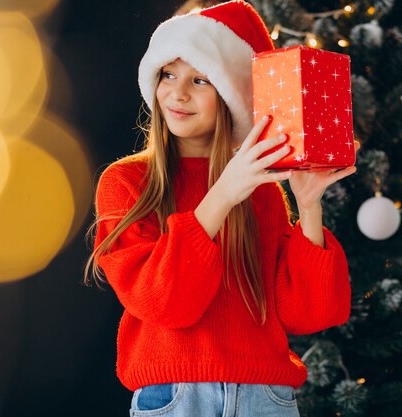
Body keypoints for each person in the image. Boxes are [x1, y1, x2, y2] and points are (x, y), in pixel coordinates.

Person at [85, 1, 358, 416]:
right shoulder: (127, 184)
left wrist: (309, 205)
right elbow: (165, 303)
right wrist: (224, 194)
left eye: (200, 80)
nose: (177, 93)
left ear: (230, 95)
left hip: (265, 398)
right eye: (168, 74)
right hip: (176, 399)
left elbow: (308, 313)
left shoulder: (261, 190)